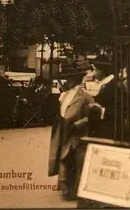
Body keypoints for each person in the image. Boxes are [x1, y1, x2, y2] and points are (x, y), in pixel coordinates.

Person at [48, 57, 98, 201]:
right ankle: (65, 188)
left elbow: (91, 117)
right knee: (64, 158)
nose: (65, 82)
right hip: (64, 130)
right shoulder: (65, 94)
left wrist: (78, 124)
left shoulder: (85, 97)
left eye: (68, 79)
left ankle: (75, 189)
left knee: (75, 160)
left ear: (74, 80)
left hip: (78, 133)